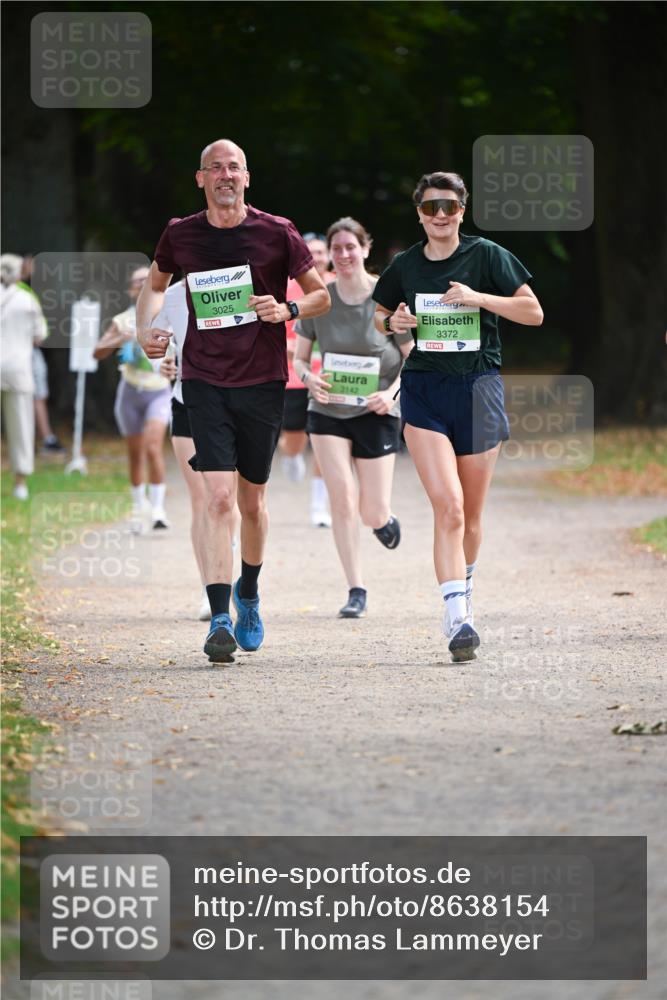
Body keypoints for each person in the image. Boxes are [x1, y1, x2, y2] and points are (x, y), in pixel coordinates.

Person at [136, 138, 330, 662]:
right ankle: (219, 616)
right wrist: (144, 330)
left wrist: (286, 309)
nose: (225, 175)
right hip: (203, 380)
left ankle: (249, 590)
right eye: (215, 168)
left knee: (251, 502)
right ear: (200, 179)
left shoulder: (277, 231)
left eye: (234, 167)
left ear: (247, 177)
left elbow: (320, 295)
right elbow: (153, 288)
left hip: (263, 380)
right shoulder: (181, 234)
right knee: (217, 499)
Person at [373, 171, 543, 662]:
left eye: (449, 206)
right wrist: (394, 323)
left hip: (478, 388)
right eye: (431, 208)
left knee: (470, 513)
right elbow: (379, 313)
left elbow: (533, 313)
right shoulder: (406, 264)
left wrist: (477, 297)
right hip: (425, 389)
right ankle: (457, 619)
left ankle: (464, 591)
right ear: (420, 214)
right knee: (446, 505)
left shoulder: (487, 255)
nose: (440, 215)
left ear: (462, 210)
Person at [294, 217, 412, 619]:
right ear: (329, 255)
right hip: (328, 409)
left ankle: (384, 519)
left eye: (350, 247)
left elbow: (413, 358)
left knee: (371, 511)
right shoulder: (320, 299)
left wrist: (391, 393)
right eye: (337, 248)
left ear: (364, 248)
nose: (343, 255)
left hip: (377, 408)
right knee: (341, 498)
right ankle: (355, 588)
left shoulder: (387, 296)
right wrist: (310, 379)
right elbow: (298, 358)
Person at [151, 279, 241, 622]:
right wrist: (161, 364)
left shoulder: (237, 284)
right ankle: (210, 588)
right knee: (204, 499)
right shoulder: (172, 296)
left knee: (227, 500)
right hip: (186, 403)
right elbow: (154, 343)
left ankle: (228, 576)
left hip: (234, 406)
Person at [93, 266, 172, 532]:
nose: (141, 284)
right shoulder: (123, 319)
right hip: (130, 393)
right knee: (135, 454)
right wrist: (119, 337)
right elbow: (97, 352)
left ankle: (159, 509)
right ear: (130, 289)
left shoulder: (166, 315)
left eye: (145, 280)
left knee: (153, 447)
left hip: (158, 392)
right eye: (136, 281)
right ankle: (139, 509)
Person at [280, 232, 335, 527]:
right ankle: (290, 455)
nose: (317, 257)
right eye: (310, 252)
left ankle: (318, 507)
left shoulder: (338, 286)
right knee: (294, 436)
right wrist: (293, 348)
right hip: (296, 376)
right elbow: (278, 327)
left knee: (325, 441)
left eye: (321, 252)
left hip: (331, 376)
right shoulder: (290, 287)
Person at [0, 253, 47, 499]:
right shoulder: (28, 299)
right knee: (20, 426)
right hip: (18, 368)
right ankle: (20, 483)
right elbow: (40, 336)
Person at [19, 256, 66, 455]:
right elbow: (37, 333)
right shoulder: (24, 293)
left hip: (20, 351)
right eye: (31, 263)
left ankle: (35, 439)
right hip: (26, 351)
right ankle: (43, 439)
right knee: (36, 395)